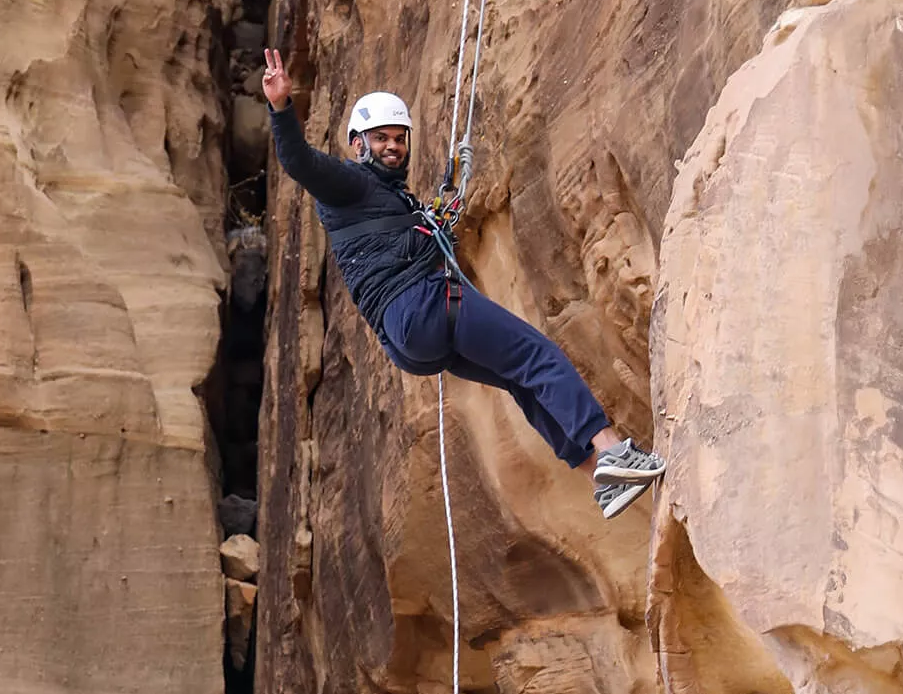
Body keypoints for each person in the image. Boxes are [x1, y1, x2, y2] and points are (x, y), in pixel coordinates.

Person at [261, 48, 667, 518]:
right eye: (380, 138)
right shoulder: (348, 184)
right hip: (426, 304)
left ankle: (602, 475)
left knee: (521, 380)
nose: (392, 146)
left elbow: (404, 234)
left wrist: (436, 209)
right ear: (357, 144)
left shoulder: (387, 199)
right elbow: (300, 163)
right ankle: (616, 452)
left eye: (399, 138)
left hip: (410, 343)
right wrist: (280, 108)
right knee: (537, 356)